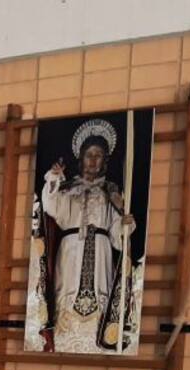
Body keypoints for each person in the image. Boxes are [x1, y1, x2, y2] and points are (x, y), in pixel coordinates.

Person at [39, 118, 136, 353]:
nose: (93, 159)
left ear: (105, 160)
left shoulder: (111, 192)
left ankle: (96, 341)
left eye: (98, 155)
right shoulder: (69, 188)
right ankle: (63, 339)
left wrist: (124, 223)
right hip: (71, 249)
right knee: (66, 291)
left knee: (100, 291)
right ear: (81, 157)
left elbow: (116, 233)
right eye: (89, 154)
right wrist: (53, 179)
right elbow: (52, 206)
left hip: (101, 249)